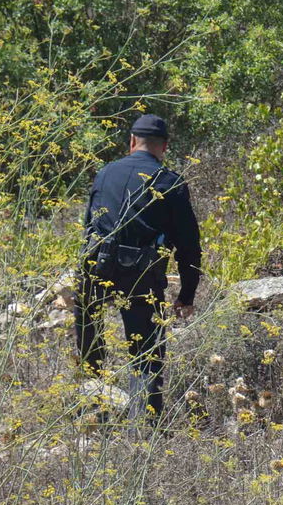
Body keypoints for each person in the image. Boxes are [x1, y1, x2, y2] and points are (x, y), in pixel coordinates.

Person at [76, 114, 202, 419]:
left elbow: (89, 224)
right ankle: (143, 430)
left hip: (96, 266)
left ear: (131, 142)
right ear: (165, 147)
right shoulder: (169, 182)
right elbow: (188, 245)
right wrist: (187, 294)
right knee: (146, 354)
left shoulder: (105, 173)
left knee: (89, 341)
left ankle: (92, 411)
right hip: (141, 275)